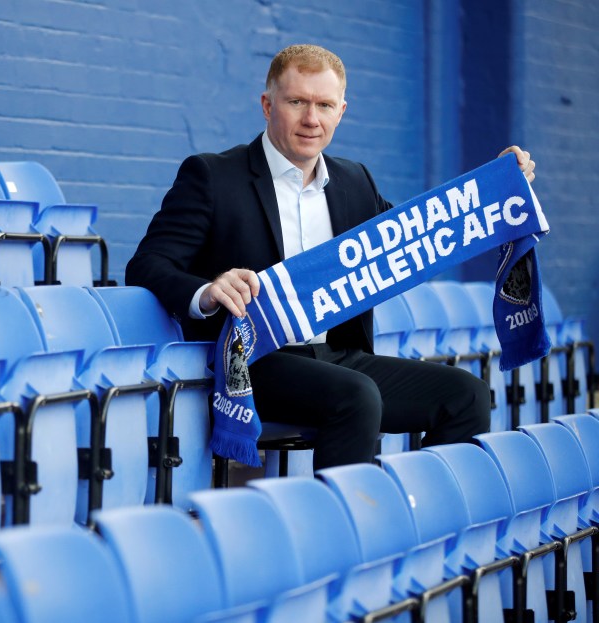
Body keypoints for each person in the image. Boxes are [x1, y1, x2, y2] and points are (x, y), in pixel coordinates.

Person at [125, 44, 537, 470]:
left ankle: (431, 523)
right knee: (356, 396)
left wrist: (496, 186)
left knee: (465, 394)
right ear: (268, 105)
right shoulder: (212, 176)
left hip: (339, 357)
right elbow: (147, 265)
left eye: (324, 105)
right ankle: (345, 529)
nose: (311, 119)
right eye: (297, 102)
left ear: (341, 111)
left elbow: (424, 228)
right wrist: (208, 291)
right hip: (255, 362)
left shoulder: (355, 181)